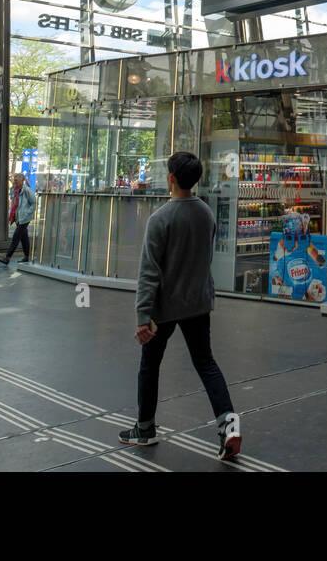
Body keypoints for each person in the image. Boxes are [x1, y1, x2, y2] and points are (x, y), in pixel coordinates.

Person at [121, 152, 241, 461]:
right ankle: (228, 424)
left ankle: (144, 429)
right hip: (198, 303)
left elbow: (149, 272)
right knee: (206, 363)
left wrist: (142, 316)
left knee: (150, 366)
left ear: (172, 179)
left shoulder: (160, 218)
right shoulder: (206, 214)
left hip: (165, 308)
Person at [0, 173, 35, 266]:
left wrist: (27, 213)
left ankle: (7, 257)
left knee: (16, 237)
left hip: (24, 217)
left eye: (16, 180)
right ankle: (26, 256)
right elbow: (14, 203)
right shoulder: (14, 190)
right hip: (17, 217)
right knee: (24, 237)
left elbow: (33, 203)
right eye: (14, 180)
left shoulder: (26, 190)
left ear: (22, 181)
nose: (14, 182)